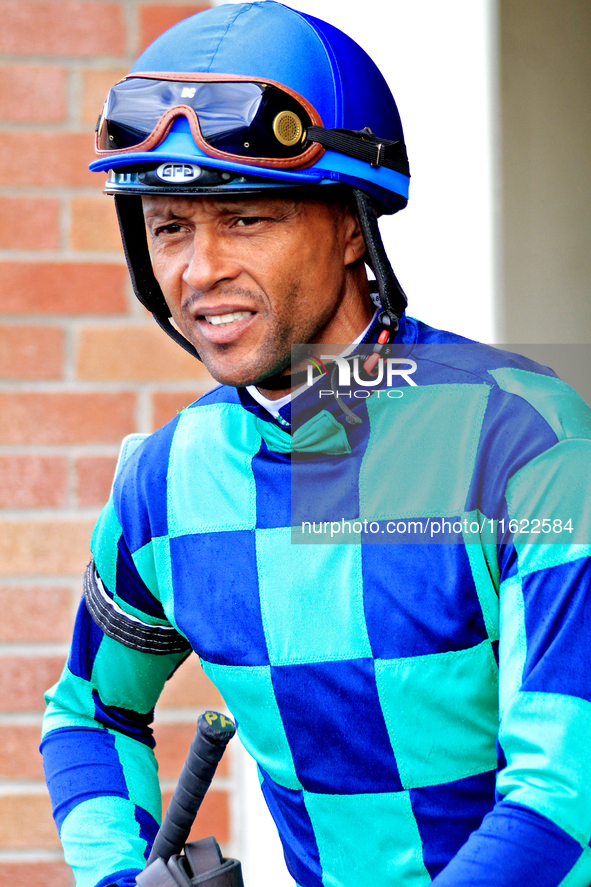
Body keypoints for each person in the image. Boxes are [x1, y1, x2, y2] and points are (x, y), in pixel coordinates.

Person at [41, 3, 591, 887]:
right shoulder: (162, 480)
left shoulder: (525, 439)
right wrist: (115, 877)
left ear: (349, 228)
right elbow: (89, 715)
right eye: (170, 226)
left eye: (245, 219)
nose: (199, 269)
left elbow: (562, 795)